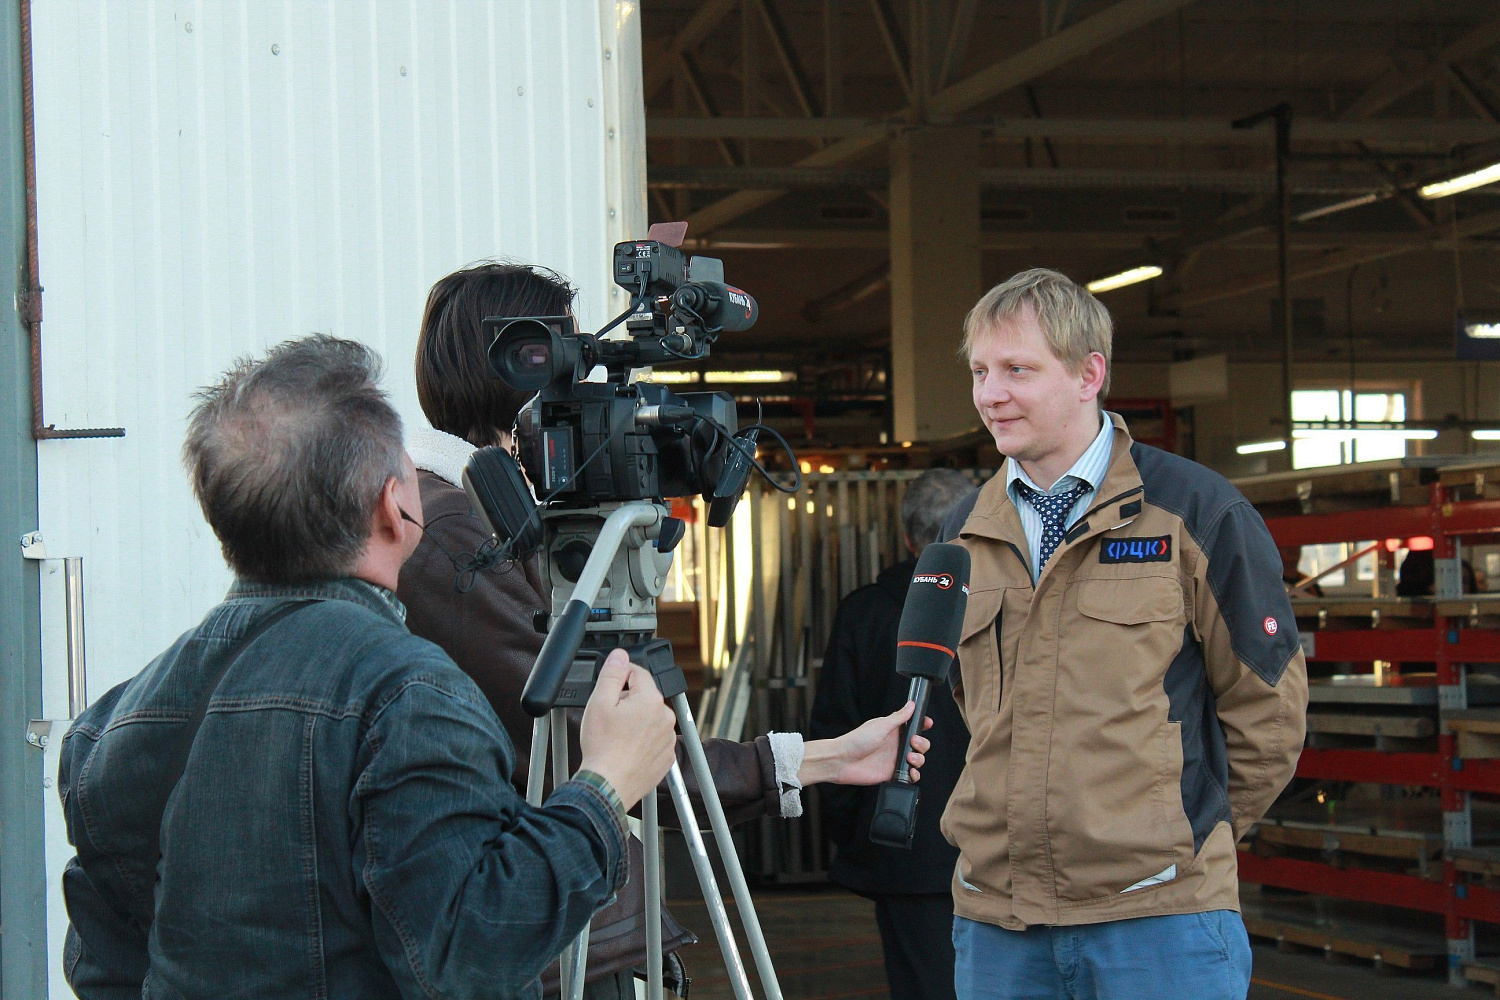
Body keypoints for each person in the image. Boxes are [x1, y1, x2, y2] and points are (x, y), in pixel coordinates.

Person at [58, 336, 680, 999]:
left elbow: (103, 970)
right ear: (391, 507)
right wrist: (605, 787)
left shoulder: (113, 721)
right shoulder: (408, 694)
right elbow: (467, 950)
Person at [398, 260, 931, 997]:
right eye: (565, 354)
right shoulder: (452, 530)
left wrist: (831, 756)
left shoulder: (478, 510)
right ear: (519, 363)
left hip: (551, 926)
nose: (579, 382)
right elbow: (597, 738)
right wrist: (819, 760)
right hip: (537, 937)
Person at [938, 269, 1309, 1000]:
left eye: (1017, 370)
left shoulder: (1195, 512)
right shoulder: (965, 529)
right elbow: (967, 703)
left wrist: (1180, 841)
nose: (990, 394)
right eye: (980, 371)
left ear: (1089, 375)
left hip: (1161, 923)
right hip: (999, 923)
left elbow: (1268, 711)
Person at [809, 468, 978, 1000]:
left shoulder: (865, 611)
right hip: (1002, 843)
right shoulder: (1007, 605)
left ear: (907, 538)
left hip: (906, 845)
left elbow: (833, 726)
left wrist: (855, 830)